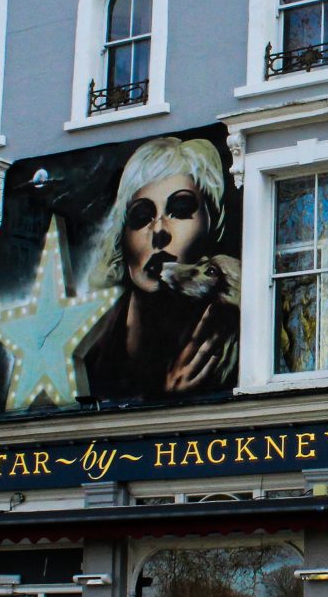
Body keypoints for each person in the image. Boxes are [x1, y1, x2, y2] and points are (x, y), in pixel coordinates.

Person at [81, 135, 240, 401]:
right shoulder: (89, 349)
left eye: (179, 210)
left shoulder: (227, 345)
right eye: (141, 216)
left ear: (212, 223)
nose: (158, 230)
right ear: (122, 235)